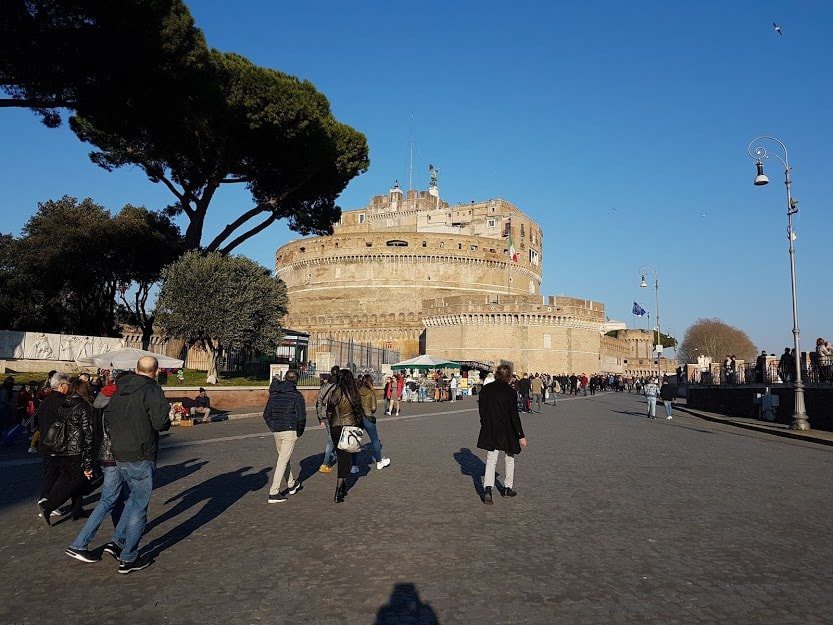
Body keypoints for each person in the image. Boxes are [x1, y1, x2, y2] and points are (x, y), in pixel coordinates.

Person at [102, 356, 171, 574]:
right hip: (141, 452)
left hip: (118, 452)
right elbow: (161, 423)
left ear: (135, 369)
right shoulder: (152, 390)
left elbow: (107, 417)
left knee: (132, 500)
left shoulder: (119, 388)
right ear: (156, 370)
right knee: (139, 505)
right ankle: (129, 557)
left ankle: (118, 539)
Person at [65, 373, 130, 563]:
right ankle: (80, 544)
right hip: (116, 455)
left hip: (103, 454)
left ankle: (119, 539)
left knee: (118, 499)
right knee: (109, 500)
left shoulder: (98, 400)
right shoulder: (118, 401)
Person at [38, 378, 94, 524]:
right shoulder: (84, 407)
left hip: (62, 449)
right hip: (76, 449)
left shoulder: (63, 405)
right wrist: (88, 461)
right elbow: (88, 434)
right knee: (75, 480)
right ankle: (48, 505)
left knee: (71, 479)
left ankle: (77, 509)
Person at [477, 364, 527, 505]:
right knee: (509, 458)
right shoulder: (510, 392)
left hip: (491, 427)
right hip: (507, 429)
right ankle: (507, 488)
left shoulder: (486, 389)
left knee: (491, 458)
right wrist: (520, 435)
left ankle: (488, 489)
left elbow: (482, 410)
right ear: (509, 376)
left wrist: (485, 423)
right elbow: (514, 416)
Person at [263, 370, 306, 504]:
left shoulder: (274, 394)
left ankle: (291, 484)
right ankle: (274, 492)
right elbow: (301, 417)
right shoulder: (296, 395)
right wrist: (299, 432)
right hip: (289, 430)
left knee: (284, 458)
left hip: (277, 430)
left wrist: (273, 426)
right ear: (296, 380)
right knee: (282, 460)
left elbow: (266, 414)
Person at [325, 369, 364, 503]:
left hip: (335, 427)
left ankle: (342, 485)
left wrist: (331, 424)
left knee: (340, 455)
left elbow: (329, 411)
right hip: (349, 427)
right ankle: (339, 490)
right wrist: (359, 427)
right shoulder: (353, 393)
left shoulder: (334, 392)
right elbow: (359, 412)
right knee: (345, 460)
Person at [36, 373, 71, 519]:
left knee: (50, 473)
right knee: (56, 475)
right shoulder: (63, 402)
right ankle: (46, 502)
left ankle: (48, 501)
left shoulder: (46, 401)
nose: (69, 387)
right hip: (57, 444)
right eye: (68, 384)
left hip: (45, 443)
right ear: (61, 385)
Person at [356, 374, 390, 472]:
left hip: (358, 418)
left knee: (355, 441)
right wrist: (370, 411)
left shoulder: (357, 390)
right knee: (375, 440)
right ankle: (379, 462)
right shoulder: (370, 392)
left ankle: (354, 466)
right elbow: (374, 408)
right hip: (368, 418)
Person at [315, 367, 340, 473]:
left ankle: (337, 456)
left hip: (325, 414)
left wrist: (319, 416)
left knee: (333, 436)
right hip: (334, 415)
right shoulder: (338, 386)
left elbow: (318, 402)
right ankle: (325, 463)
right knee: (331, 438)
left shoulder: (324, 386)